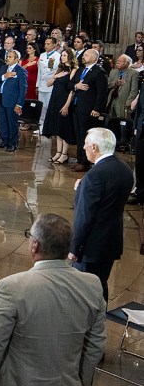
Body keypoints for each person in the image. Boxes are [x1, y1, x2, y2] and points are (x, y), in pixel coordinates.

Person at [0, 213, 106, 386]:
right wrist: (80, 378)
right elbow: (96, 343)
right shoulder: (93, 285)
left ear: (35, 245)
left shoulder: (11, 287)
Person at [70, 128, 134, 302]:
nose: (83, 147)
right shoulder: (124, 169)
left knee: (82, 295)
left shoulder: (95, 176)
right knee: (100, 288)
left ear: (95, 147)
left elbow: (85, 217)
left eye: (86, 144)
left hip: (91, 248)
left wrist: (74, 248)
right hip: (110, 243)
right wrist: (83, 188)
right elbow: (109, 199)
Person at [69, 49, 108, 172]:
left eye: (86, 55)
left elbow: (102, 93)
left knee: (86, 136)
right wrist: (77, 86)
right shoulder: (80, 70)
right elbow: (69, 84)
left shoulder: (99, 72)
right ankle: (80, 159)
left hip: (88, 108)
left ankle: (85, 162)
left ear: (94, 57)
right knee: (79, 136)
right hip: (77, 107)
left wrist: (97, 108)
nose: (83, 57)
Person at [42, 49, 78, 165]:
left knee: (63, 129)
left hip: (64, 100)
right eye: (61, 55)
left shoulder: (73, 70)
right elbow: (48, 83)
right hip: (55, 99)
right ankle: (58, 152)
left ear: (70, 57)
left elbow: (71, 90)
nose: (62, 57)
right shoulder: (61, 69)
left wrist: (67, 105)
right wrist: (57, 75)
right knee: (57, 128)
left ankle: (64, 154)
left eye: (65, 55)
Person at [0, 49, 28, 152]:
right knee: (3, 121)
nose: (7, 58)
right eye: (7, 56)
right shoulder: (4, 68)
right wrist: (4, 76)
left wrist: (19, 104)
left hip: (12, 101)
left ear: (16, 59)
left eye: (10, 57)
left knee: (12, 122)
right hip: (2, 98)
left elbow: (23, 89)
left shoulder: (21, 71)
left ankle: (12, 143)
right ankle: (4, 140)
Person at [37, 37, 60, 131]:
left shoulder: (57, 56)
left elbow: (54, 70)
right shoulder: (42, 55)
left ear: (54, 45)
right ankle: (41, 125)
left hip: (50, 84)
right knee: (42, 107)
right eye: (45, 44)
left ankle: (49, 127)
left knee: (49, 106)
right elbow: (39, 71)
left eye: (48, 44)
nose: (46, 46)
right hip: (42, 84)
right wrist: (37, 85)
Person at [107, 54, 137, 119]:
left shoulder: (134, 73)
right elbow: (108, 85)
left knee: (122, 122)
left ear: (127, 63)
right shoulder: (113, 72)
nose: (117, 62)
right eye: (117, 60)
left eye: (120, 61)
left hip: (124, 101)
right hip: (112, 100)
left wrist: (128, 102)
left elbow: (134, 90)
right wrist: (115, 84)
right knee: (111, 120)